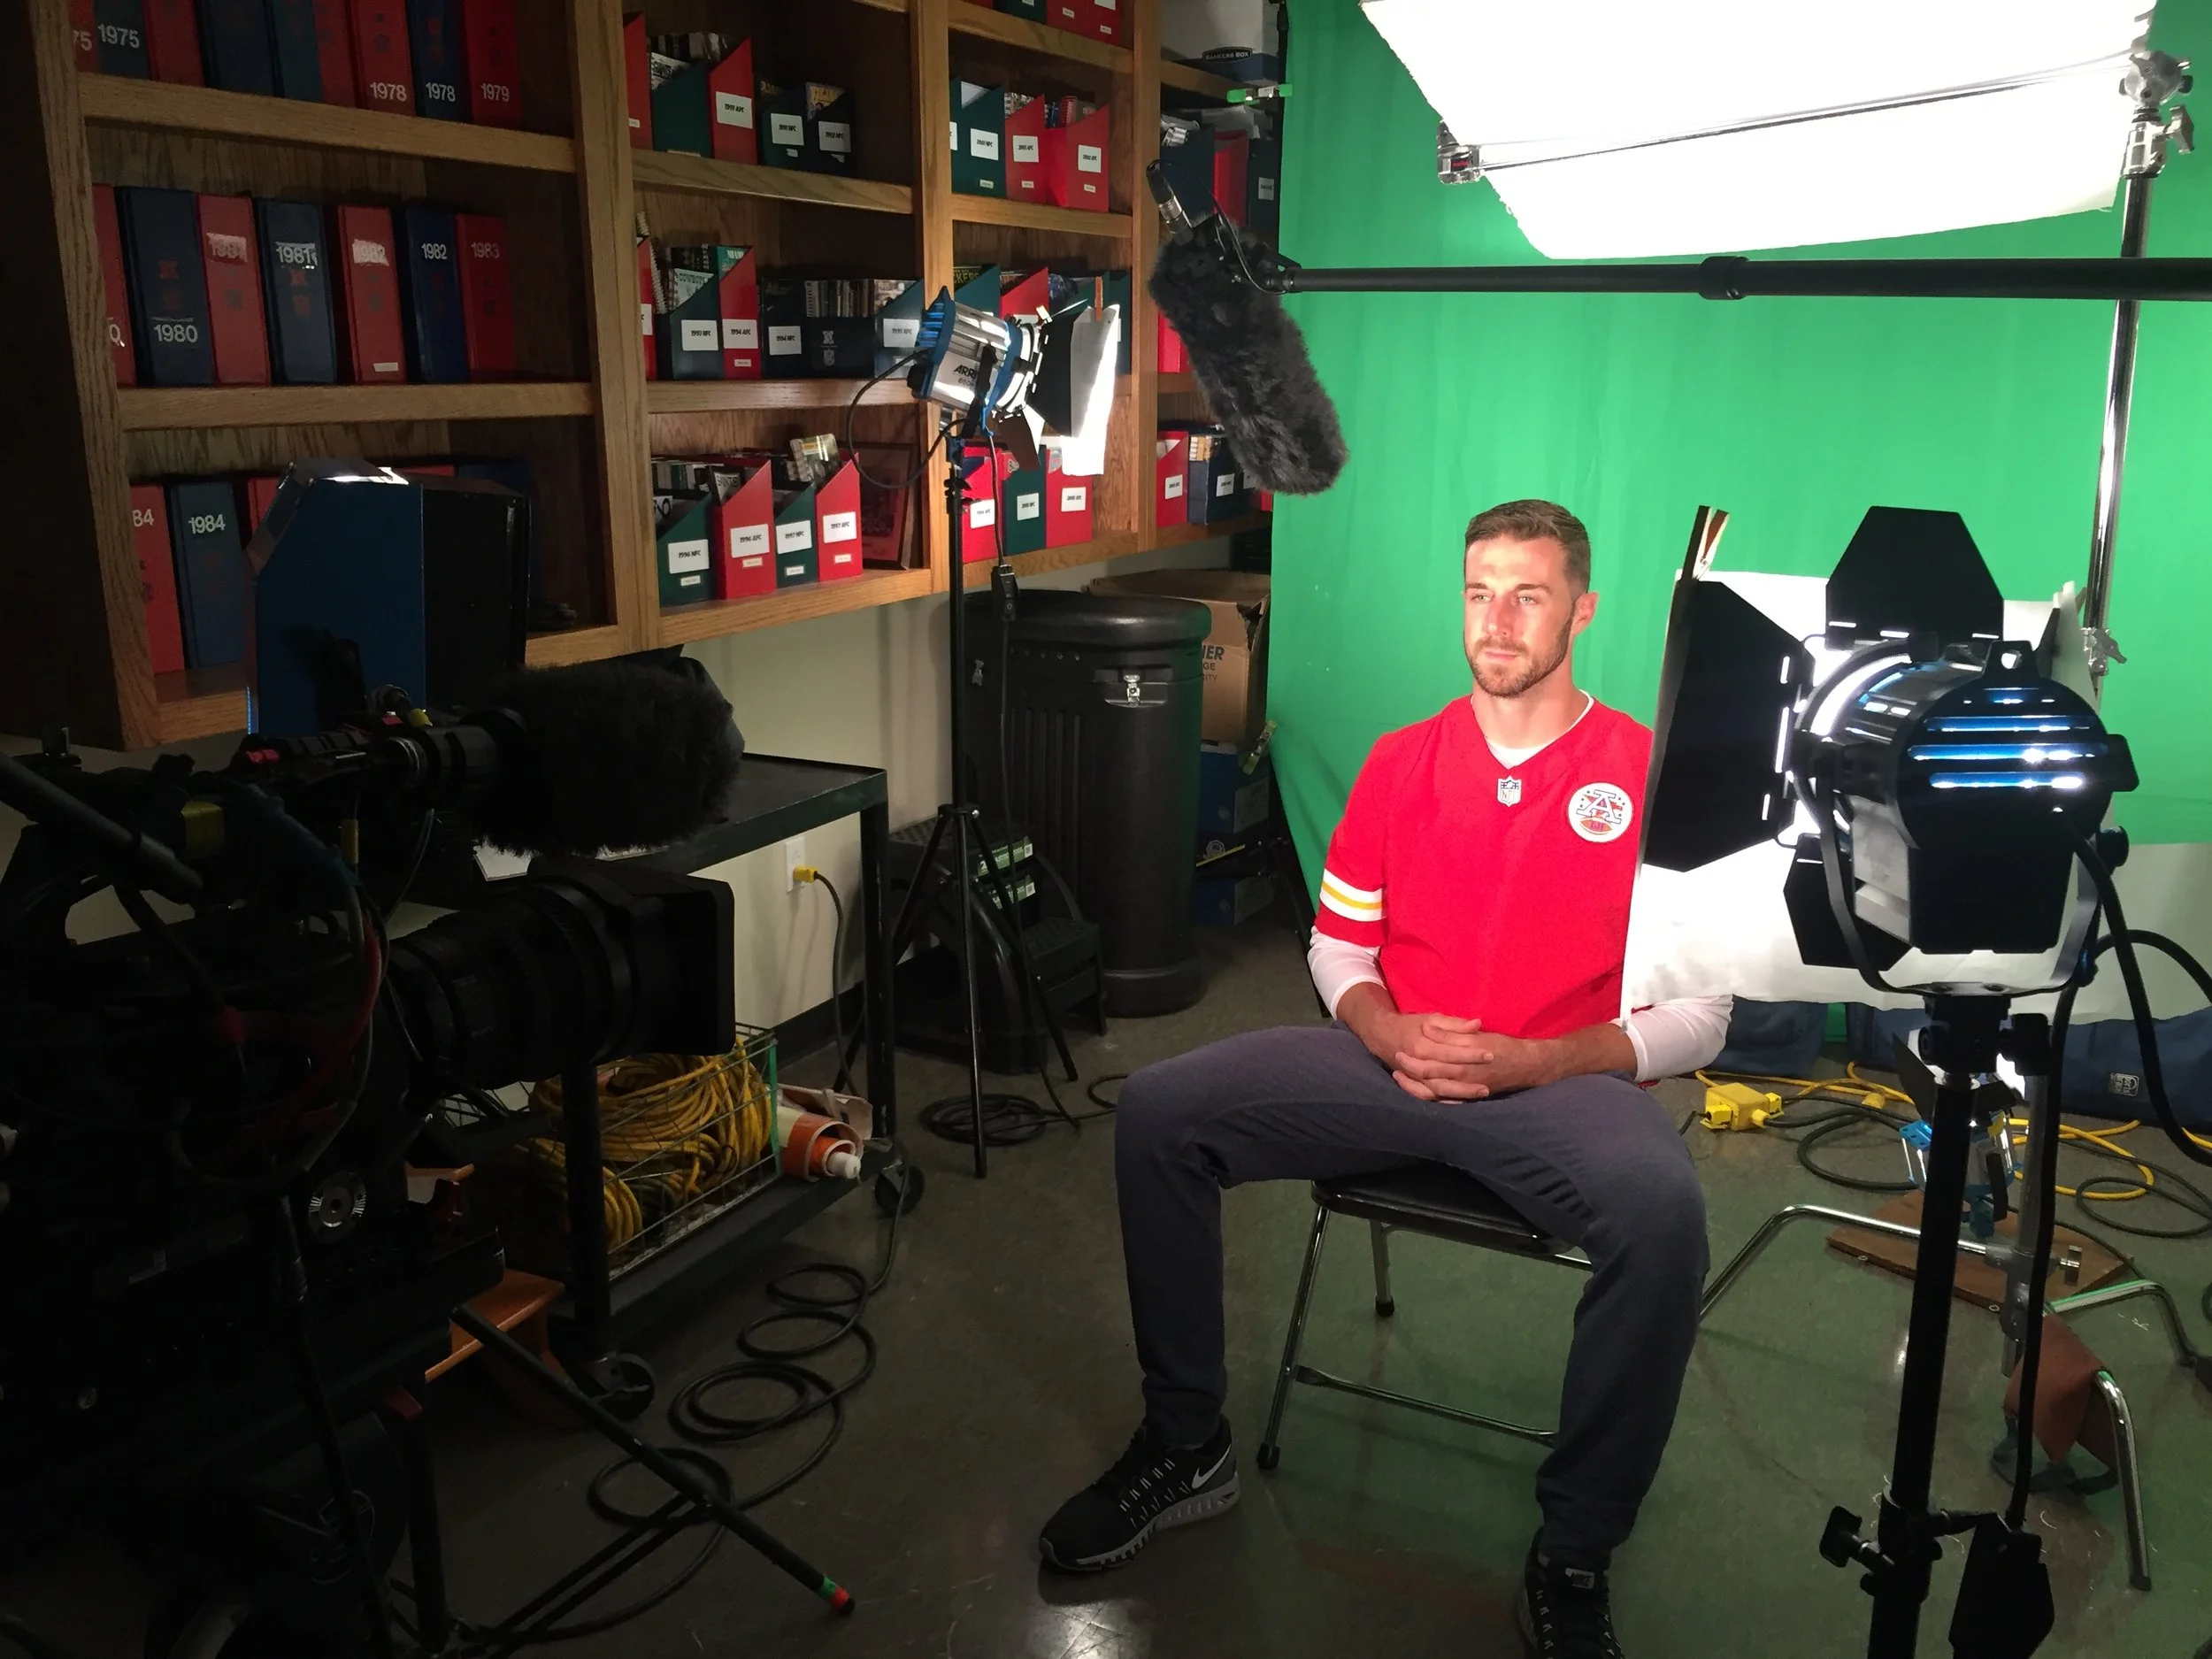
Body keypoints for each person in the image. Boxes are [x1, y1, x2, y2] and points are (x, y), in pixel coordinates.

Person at [1037, 500, 1732, 1658]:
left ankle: (1572, 1550)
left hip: (1559, 1088)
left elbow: (1703, 1014)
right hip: (1385, 1063)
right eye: (1479, 591)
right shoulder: (1404, 761)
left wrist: (1540, 1056)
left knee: (1663, 1214)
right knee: (1158, 1111)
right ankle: (1185, 1441)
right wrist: (1379, 1026)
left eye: (1528, 593)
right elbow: (1338, 942)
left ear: (1583, 608)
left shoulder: (1647, 776)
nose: (1497, 619)